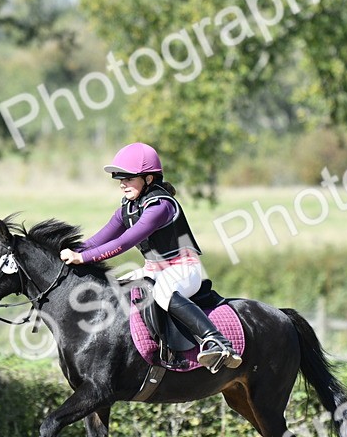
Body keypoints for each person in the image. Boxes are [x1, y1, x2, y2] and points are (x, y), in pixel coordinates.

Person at [58, 142, 243, 374]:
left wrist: (82, 258)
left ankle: (216, 340)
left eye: (128, 178)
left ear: (148, 179)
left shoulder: (160, 206)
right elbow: (100, 239)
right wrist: (66, 253)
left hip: (184, 269)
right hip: (154, 269)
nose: (122, 184)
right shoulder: (128, 206)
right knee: (116, 289)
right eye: (119, 179)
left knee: (163, 292)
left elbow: (123, 242)